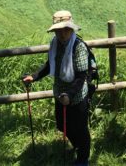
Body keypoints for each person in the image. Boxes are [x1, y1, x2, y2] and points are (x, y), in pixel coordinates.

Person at [23, 10, 90, 166]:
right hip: (60, 93)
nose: (62, 33)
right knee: (62, 125)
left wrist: (70, 95)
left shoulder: (78, 47)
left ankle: (83, 159)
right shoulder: (55, 44)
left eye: (66, 29)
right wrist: (34, 76)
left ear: (71, 29)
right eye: (58, 30)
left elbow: (81, 76)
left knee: (80, 129)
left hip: (77, 96)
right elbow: (49, 65)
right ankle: (78, 146)